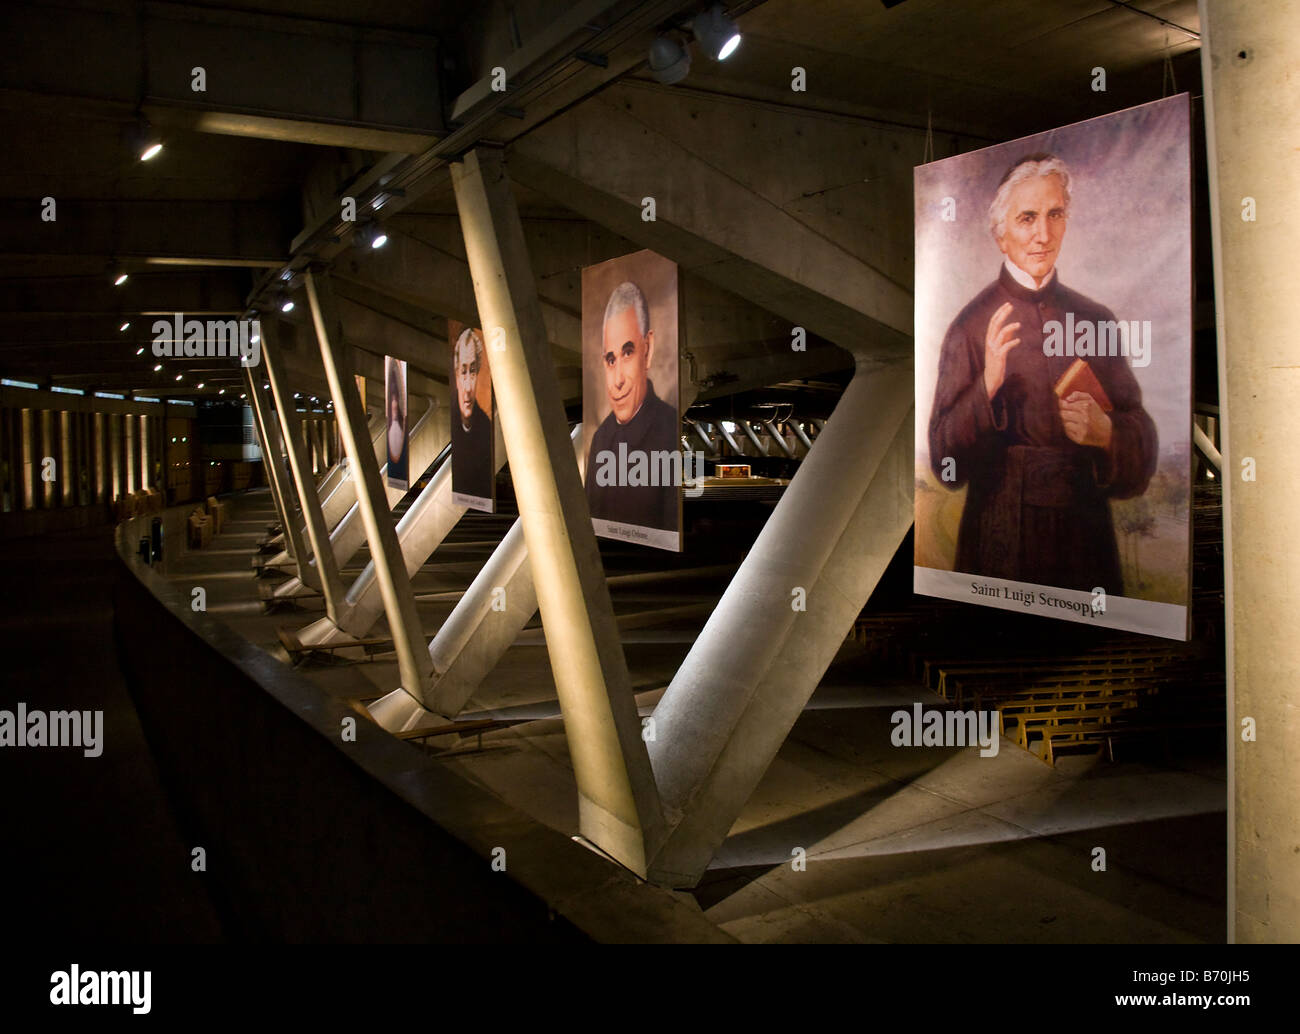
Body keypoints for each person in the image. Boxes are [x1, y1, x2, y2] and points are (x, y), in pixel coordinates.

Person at [927, 153, 1158, 595]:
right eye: (1027, 218)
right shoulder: (969, 326)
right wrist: (987, 387)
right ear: (1001, 235)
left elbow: (1140, 435)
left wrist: (1108, 433)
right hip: (1002, 534)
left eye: (1055, 215)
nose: (1043, 235)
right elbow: (945, 463)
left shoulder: (1096, 318)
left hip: (1084, 538)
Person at [585, 280, 679, 531]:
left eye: (628, 353)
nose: (617, 380)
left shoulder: (670, 431)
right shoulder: (599, 439)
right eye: (610, 359)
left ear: (647, 351)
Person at [450, 327, 493, 502]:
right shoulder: (451, 423)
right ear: (456, 375)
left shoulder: (486, 428)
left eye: (473, 372)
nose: (468, 388)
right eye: (463, 371)